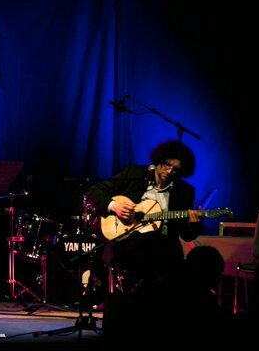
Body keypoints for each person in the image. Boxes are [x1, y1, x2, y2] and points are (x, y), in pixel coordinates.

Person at [85, 139, 203, 341]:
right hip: (128, 243)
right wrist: (114, 206)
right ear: (158, 161)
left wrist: (195, 223)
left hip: (165, 250)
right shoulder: (134, 174)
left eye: (175, 169)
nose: (169, 171)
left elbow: (187, 235)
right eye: (166, 165)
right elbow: (95, 192)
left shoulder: (185, 191)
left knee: (171, 260)